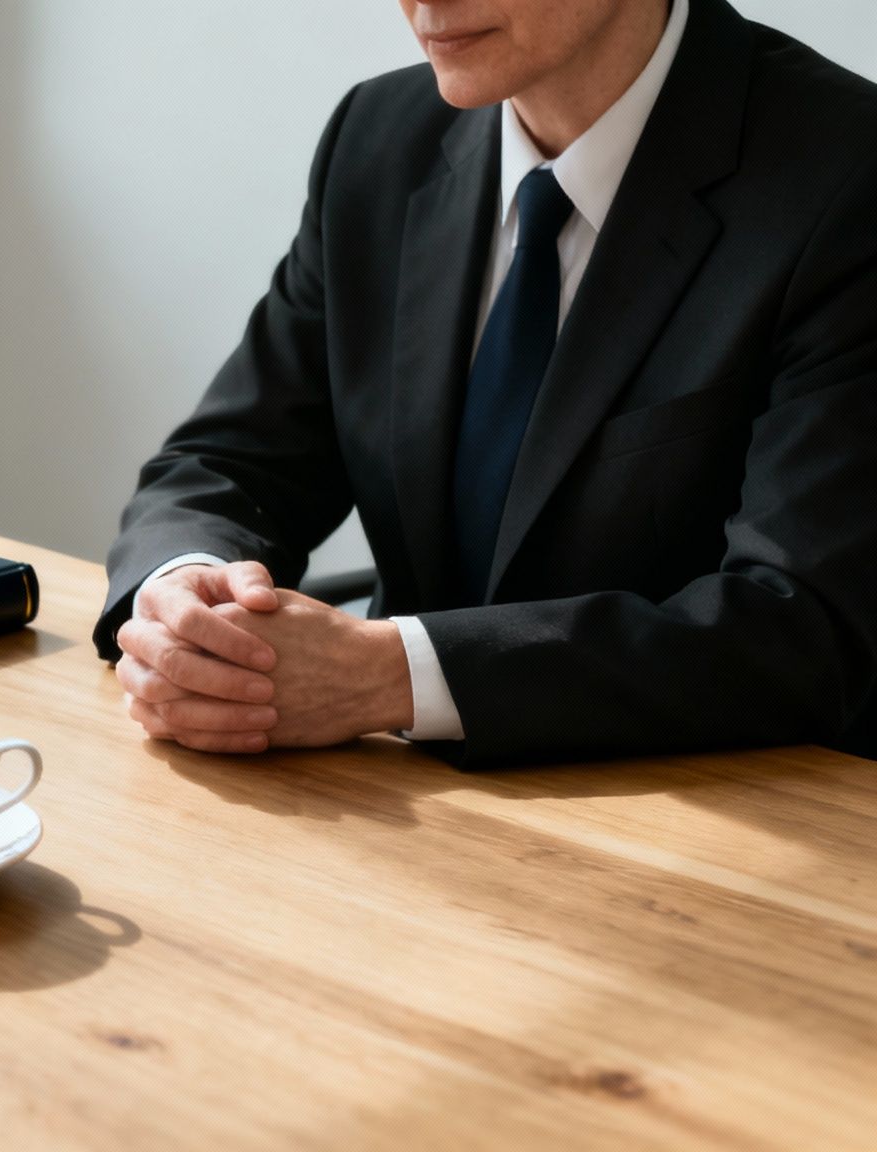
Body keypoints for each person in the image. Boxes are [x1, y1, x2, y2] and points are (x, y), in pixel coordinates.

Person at [97, 0, 877, 767]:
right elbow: (230, 461)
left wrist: (389, 675)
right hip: (386, 809)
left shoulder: (847, 174)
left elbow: (803, 627)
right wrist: (184, 592)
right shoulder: (379, 137)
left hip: (711, 826)